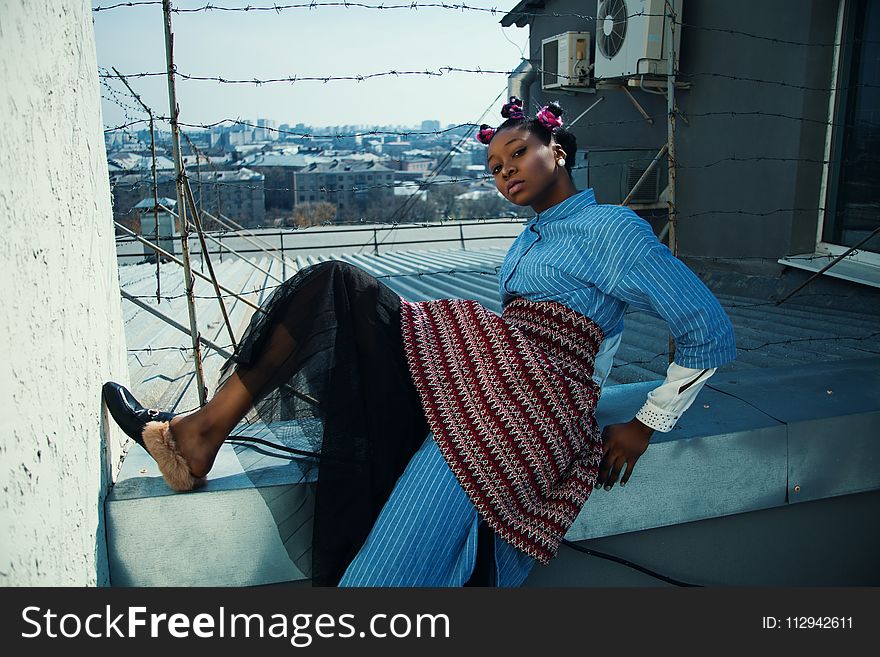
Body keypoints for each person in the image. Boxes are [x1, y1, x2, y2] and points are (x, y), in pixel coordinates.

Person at [103, 96, 736, 588]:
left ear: (558, 150)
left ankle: (195, 438)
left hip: (526, 410)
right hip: (499, 386)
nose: (505, 172)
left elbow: (708, 329)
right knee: (338, 293)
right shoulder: (533, 238)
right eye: (494, 166)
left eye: (517, 154)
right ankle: (197, 435)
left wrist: (644, 425)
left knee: (386, 572)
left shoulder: (610, 228)